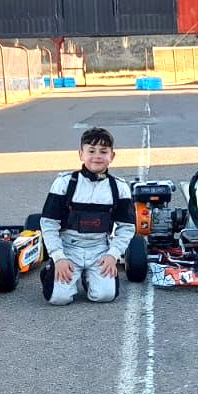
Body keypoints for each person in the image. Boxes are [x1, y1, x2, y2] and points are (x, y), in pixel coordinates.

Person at [38, 127, 135, 305]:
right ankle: (52, 271)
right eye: (91, 151)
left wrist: (113, 255)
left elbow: (127, 228)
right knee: (58, 299)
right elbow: (49, 224)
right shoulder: (64, 183)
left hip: (99, 249)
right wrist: (58, 256)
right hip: (68, 248)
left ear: (112, 156)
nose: (97, 156)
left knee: (105, 296)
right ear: (81, 154)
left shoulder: (119, 188)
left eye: (103, 151)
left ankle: (89, 277)